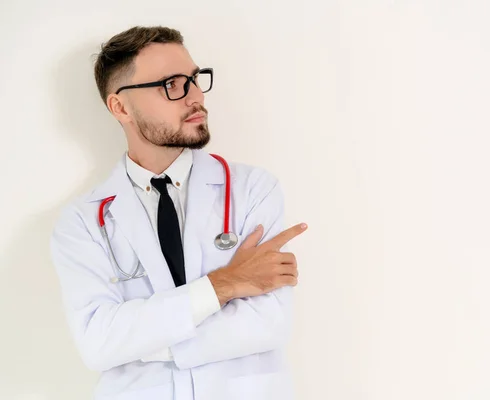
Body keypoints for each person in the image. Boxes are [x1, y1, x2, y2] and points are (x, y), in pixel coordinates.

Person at [49, 25, 307, 400]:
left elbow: (268, 323)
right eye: (171, 84)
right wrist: (225, 285)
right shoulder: (83, 221)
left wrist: (140, 342)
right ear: (120, 107)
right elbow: (97, 343)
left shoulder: (253, 189)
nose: (195, 96)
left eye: (194, 79)